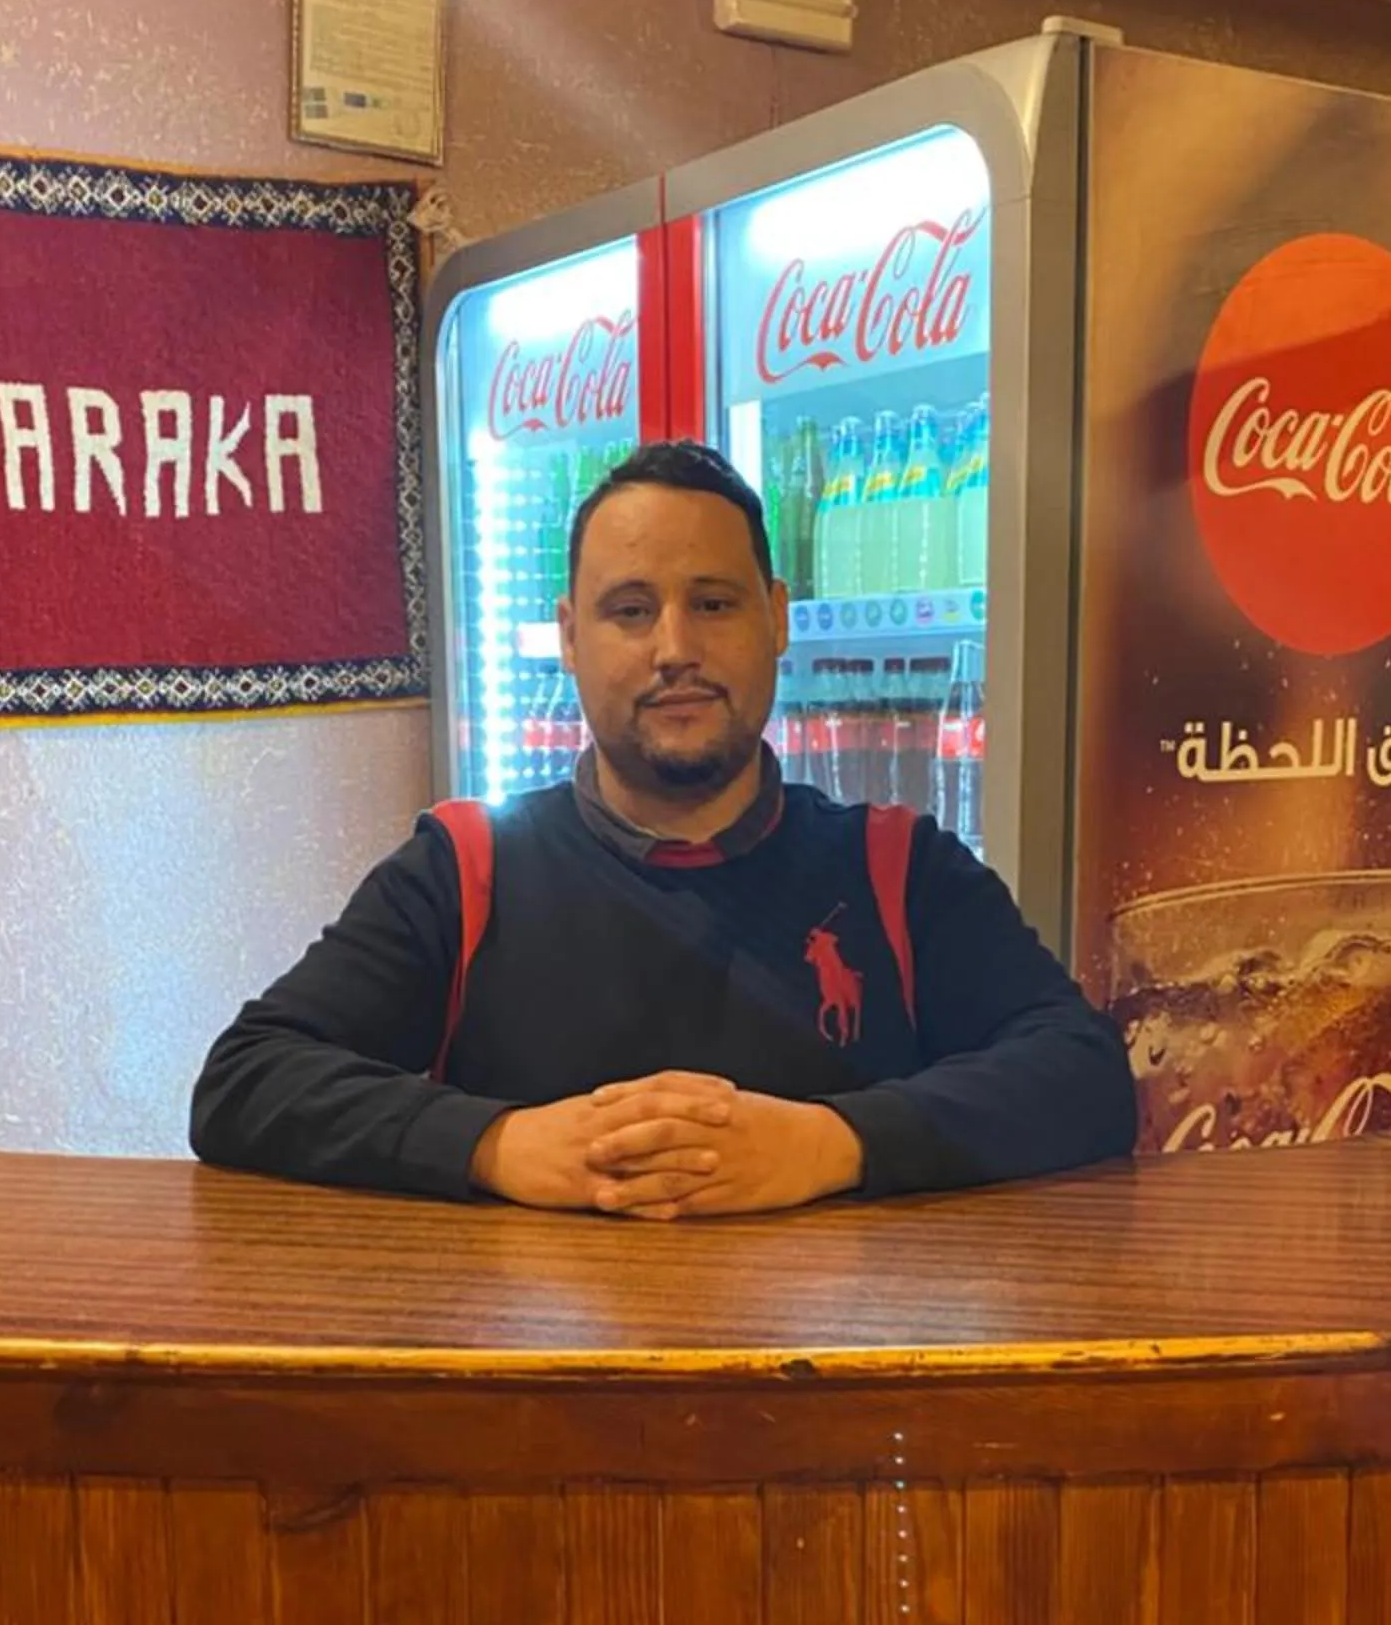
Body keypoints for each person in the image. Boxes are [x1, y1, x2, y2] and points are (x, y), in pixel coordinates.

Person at [190, 440, 1136, 1217]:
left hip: (831, 1408)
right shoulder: (464, 871)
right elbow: (245, 1083)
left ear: (776, 619)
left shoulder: (896, 866)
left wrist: (832, 1143)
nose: (675, 648)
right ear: (569, 637)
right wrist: (495, 1143)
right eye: (630, 611)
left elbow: (1085, 1076)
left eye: (713, 604)